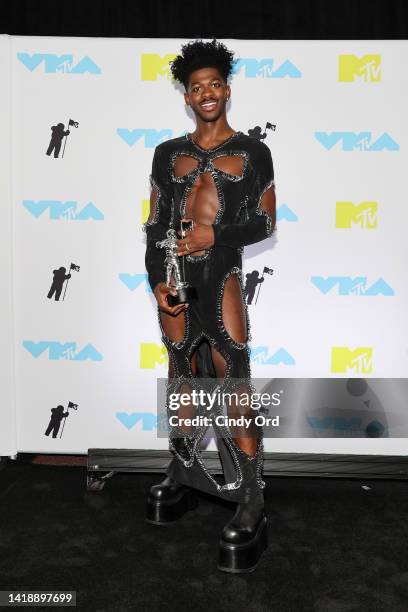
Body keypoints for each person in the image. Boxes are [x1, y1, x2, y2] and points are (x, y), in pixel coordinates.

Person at [143, 39, 276, 573]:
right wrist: (156, 279)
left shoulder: (252, 152)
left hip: (219, 274)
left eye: (214, 84)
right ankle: (182, 469)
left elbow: (265, 223)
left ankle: (251, 494)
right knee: (181, 371)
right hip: (174, 276)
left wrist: (213, 234)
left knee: (232, 373)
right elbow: (154, 225)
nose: (207, 93)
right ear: (187, 96)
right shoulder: (165, 153)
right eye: (196, 87)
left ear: (227, 89)